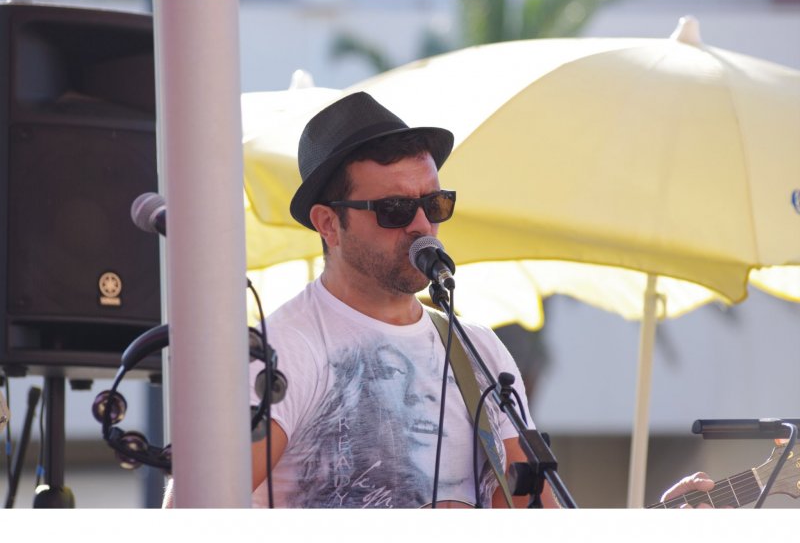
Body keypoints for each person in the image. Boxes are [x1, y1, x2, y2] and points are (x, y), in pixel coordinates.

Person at [164, 92, 716, 509]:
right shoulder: (283, 351)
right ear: (329, 223)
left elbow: (534, 513)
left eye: (435, 204)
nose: (422, 226)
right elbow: (192, 511)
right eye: (394, 210)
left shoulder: (479, 352)